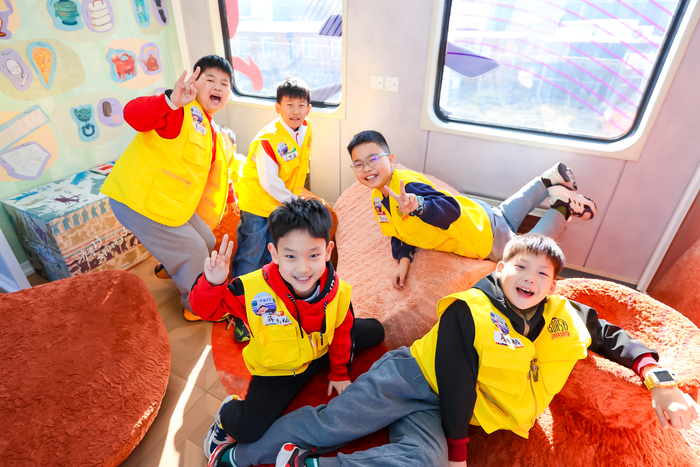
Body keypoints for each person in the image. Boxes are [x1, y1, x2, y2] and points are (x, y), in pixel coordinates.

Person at [206, 233, 699, 467]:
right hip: (412, 378)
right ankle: (234, 454)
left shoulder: (563, 315)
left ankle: (306, 464)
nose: (529, 279)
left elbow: (615, 336)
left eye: (541, 274)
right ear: (501, 270)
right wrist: (459, 454)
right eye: (520, 268)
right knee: (333, 424)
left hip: (443, 411)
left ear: (554, 284)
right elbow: (457, 377)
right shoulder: (472, 306)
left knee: (420, 463)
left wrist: (661, 382)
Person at [189, 198, 385, 461]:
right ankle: (226, 415)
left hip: (320, 351)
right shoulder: (250, 289)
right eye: (291, 256)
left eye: (313, 255)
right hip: (279, 371)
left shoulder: (339, 290)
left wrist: (339, 372)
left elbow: (342, 330)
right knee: (248, 429)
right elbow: (206, 310)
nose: (303, 268)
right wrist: (212, 284)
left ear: (328, 251)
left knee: (376, 331)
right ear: (274, 254)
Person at [346, 130, 598, 290]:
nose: (366, 168)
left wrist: (419, 206)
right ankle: (548, 180)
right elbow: (397, 232)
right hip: (480, 215)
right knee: (503, 216)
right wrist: (403, 261)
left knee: (531, 251)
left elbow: (449, 209)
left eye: (373, 159)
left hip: (482, 238)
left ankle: (563, 207)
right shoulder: (378, 198)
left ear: (390, 159)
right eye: (358, 164)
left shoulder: (408, 187)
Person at [101, 55, 235, 322]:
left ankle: (173, 267)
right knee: (195, 250)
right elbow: (132, 114)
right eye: (210, 79)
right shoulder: (179, 110)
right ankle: (196, 305)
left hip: (168, 202)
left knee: (208, 240)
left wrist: (229, 196)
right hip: (139, 200)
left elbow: (216, 171)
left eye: (225, 84)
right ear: (194, 82)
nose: (218, 87)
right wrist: (170, 101)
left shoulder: (211, 128)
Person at [228, 77, 314, 342]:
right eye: (289, 104)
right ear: (278, 108)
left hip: (281, 203)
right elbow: (269, 182)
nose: (296, 111)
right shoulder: (268, 139)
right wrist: (295, 202)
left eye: (301, 105)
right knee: (251, 254)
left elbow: (302, 165)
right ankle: (239, 311)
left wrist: (295, 198)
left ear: (309, 108)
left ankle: (265, 302)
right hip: (257, 203)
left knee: (271, 254)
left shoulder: (306, 129)